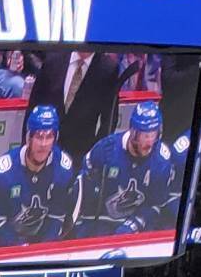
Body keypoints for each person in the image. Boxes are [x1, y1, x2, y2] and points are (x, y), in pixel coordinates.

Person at [0, 105, 77, 249]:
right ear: (28, 137)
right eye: (39, 136)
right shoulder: (4, 171)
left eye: (49, 137)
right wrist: (21, 249)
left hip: (38, 244)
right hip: (0, 243)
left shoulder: (63, 169)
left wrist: (41, 250)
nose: (43, 144)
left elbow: (56, 217)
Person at [75, 100, 179, 238]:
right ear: (133, 132)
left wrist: (134, 224)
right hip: (101, 222)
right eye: (145, 135)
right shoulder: (106, 149)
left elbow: (156, 205)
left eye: (153, 134)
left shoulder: (161, 161)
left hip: (137, 229)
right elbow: (82, 185)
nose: (149, 142)